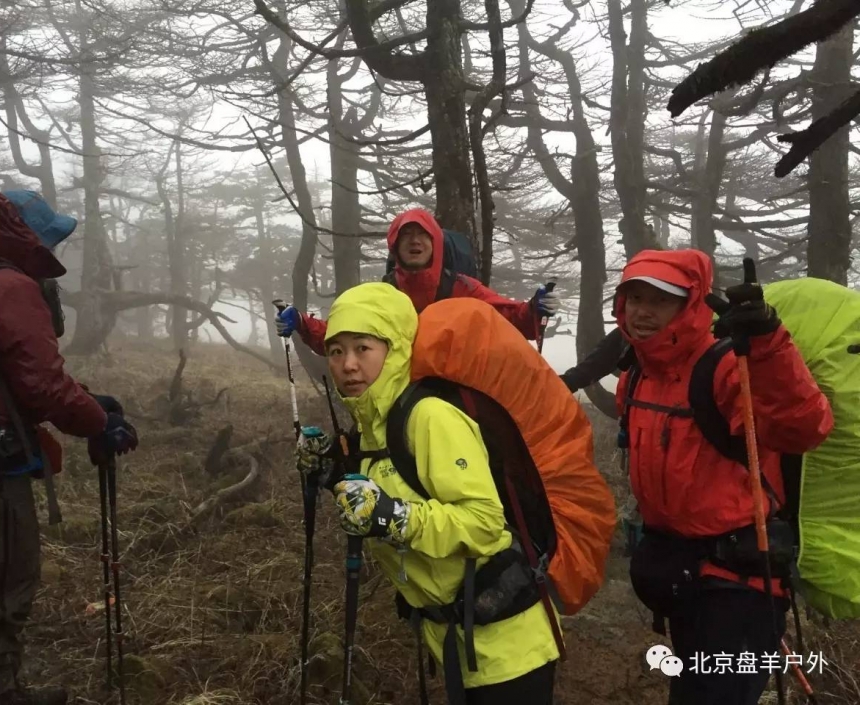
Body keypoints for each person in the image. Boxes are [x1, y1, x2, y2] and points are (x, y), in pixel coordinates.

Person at [0, 188, 139, 705]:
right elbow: (40, 384)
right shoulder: (9, 287)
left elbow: (1, 378)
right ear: (26, 235)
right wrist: (97, 423)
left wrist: (89, 402)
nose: (53, 247)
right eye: (48, 236)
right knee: (0, 587)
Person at [296, 282, 560, 704]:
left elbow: (484, 523)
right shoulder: (371, 425)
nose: (347, 365)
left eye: (363, 348)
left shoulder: (429, 417)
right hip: (457, 641)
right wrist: (330, 470)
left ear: (396, 349)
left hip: (509, 649)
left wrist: (396, 518)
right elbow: (384, 486)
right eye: (336, 351)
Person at [616, 249, 833, 705]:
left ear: (690, 305)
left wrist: (767, 344)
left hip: (740, 586)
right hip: (684, 575)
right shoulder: (637, 375)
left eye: (659, 299)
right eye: (633, 297)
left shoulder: (724, 368)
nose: (642, 311)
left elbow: (805, 428)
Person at [275, 208, 560, 354]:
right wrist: (301, 321)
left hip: (461, 394)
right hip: (401, 394)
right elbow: (342, 334)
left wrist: (536, 308)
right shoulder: (383, 294)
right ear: (395, 246)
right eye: (406, 235)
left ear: (435, 243)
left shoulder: (463, 288)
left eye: (422, 234)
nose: (414, 240)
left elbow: (511, 318)